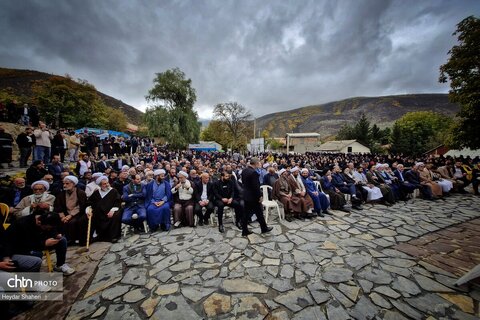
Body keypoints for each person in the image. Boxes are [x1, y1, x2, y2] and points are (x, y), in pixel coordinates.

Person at [4, 210, 75, 275]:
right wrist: (44, 243)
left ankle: (60, 265)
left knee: (62, 240)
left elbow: (51, 228)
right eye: (46, 228)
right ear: (39, 222)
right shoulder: (22, 225)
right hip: (21, 249)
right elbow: (25, 244)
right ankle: (32, 280)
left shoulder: (45, 217)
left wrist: (56, 235)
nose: (48, 229)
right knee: (37, 254)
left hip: (39, 241)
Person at [241, 157, 272, 236]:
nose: (260, 164)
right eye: (259, 163)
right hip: (253, 197)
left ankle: (244, 230)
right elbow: (256, 187)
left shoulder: (244, 170)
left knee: (246, 214)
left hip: (246, 195)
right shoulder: (254, 173)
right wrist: (260, 196)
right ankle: (264, 228)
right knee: (259, 213)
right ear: (256, 163)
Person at [54, 176, 89, 245]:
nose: (64, 185)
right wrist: (62, 216)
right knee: (60, 221)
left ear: (73, 184)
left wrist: (70, 215)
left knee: (72, 222)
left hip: (78, 213)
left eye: (67, 183)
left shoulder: (80, 193)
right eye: (64, 183)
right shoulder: (61, 194)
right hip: (65, 213)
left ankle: (72, 240)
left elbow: (80, 206)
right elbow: (58, 206)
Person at [89, 176, 122, 242]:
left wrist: (112, 210)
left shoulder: (113, 191)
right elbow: (90, 202)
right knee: (95, 216)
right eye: (104, 184)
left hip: (111, 210)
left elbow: (117, 202)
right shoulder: (96, 193)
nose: (107, 185)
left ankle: (113, 237)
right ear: (100, 185)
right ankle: (99, 236)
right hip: (100, 213)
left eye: (107, 183)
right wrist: (89, 210)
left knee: (115, 216)